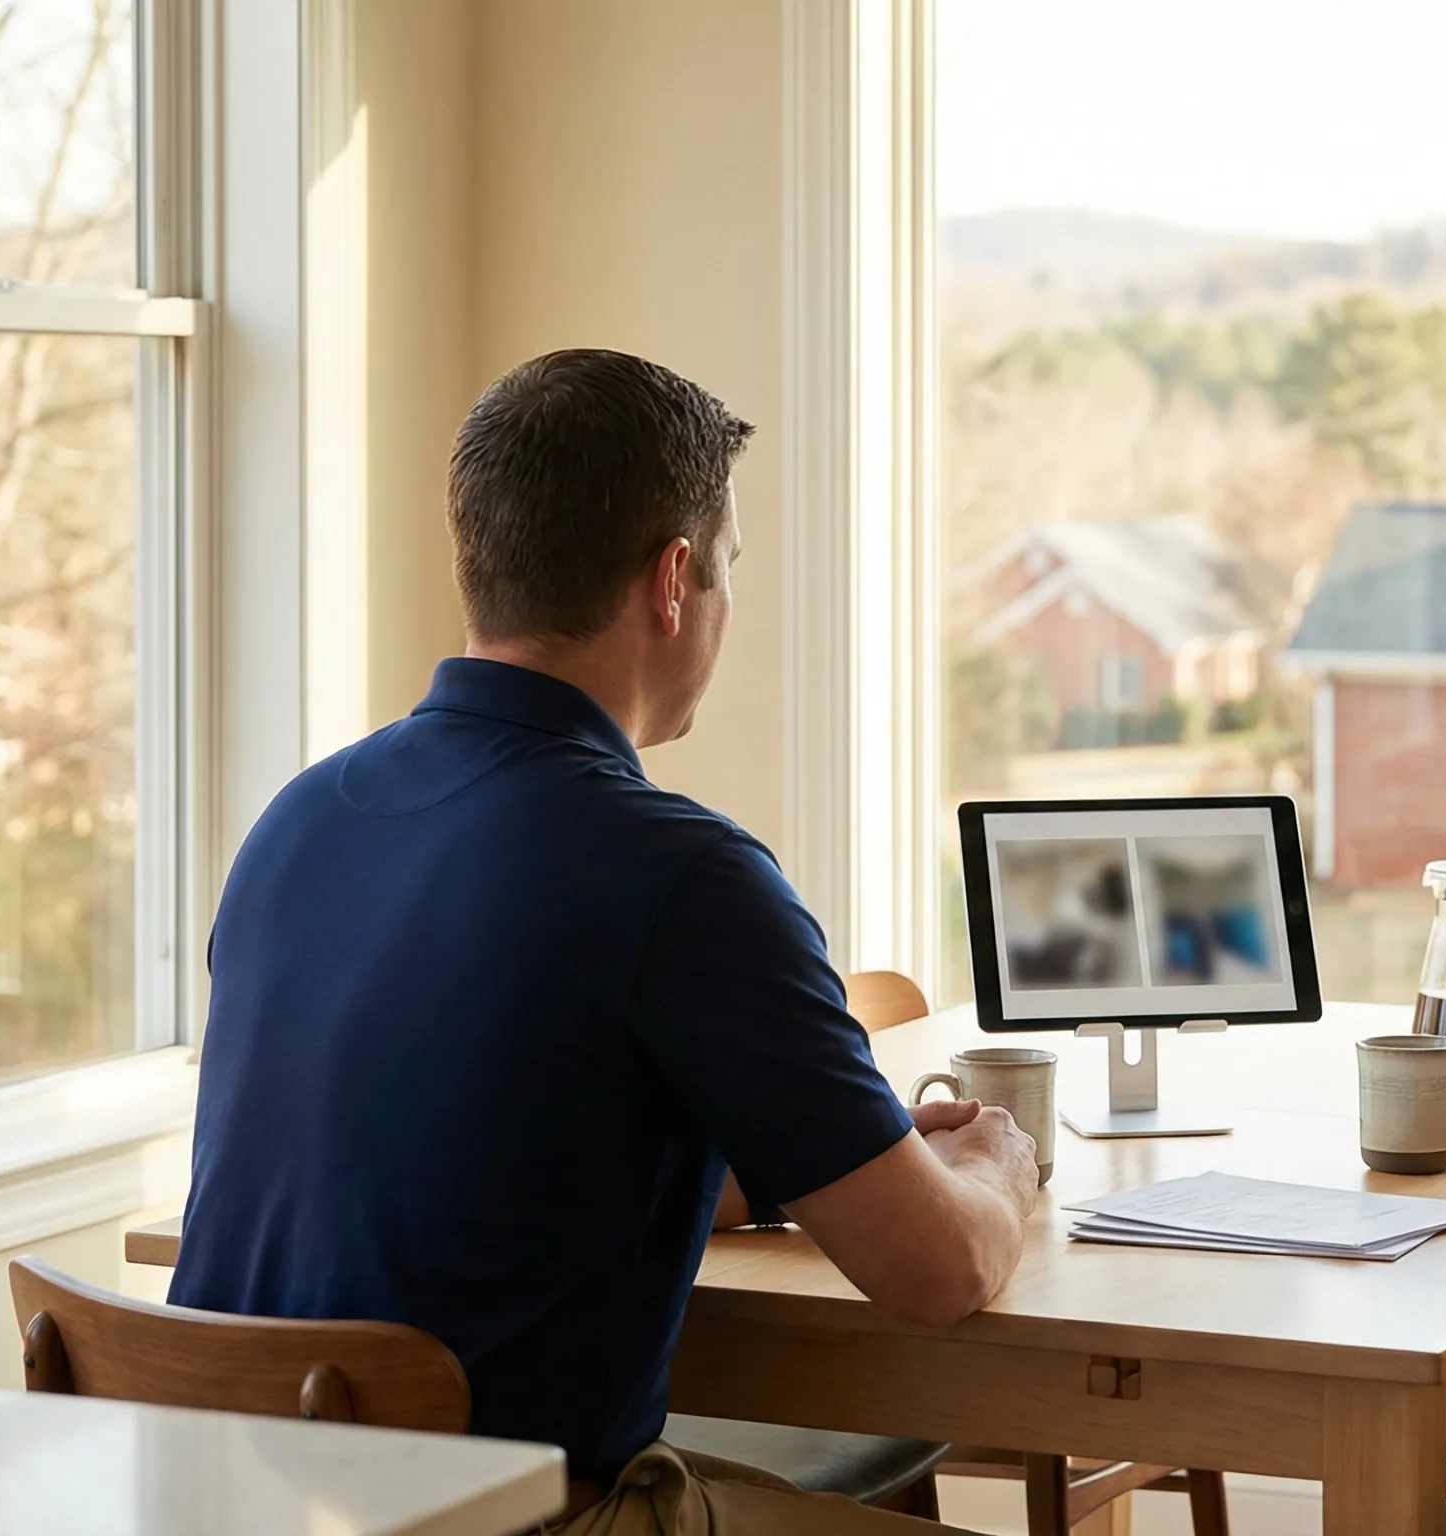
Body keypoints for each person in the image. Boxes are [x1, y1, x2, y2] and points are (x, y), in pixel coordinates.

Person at [171, 349, 1037, 1536]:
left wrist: (787, 1178)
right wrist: (996, 1166)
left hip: (251, 1510)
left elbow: (470, 1150)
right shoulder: (683, 873)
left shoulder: (299, 819)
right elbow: (939, 1274)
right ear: (673, 580)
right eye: (728, 570)